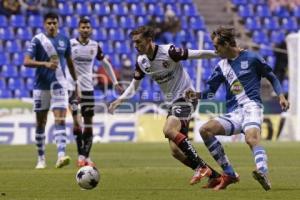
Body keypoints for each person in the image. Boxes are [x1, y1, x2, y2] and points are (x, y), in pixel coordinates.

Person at [108, 26, 222, 186]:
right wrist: (118, 101)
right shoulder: (142, 62)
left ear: (149, 40)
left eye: (139, 42)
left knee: (168, 130)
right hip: (172, 102)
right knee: (176, 152)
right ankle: (214, 176)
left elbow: (196, 54)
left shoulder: (169, 52)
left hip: (186, 96)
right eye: (134, 42)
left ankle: (202, 167)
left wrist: (217, 53)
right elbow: (134, 86)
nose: (136, 45)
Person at [186, 26, 289, 190]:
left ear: (226, 44)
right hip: (234, 113)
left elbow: (272, 76)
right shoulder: (221, 67)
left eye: (216, 46)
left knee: (251, 139)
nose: (215, 50)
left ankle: (262, 171)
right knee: (205, 130)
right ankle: (230, 173)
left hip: (251, 107)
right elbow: (210, 92)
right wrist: (196, 95)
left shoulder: (252, 58)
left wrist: (281, 96)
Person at [23, 12, 78, 169]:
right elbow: (26, 62)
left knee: (60, 120)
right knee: (41, 123)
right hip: (41, 87)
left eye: (54, 23)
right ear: (44, 24)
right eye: (49, 23)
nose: (52, 26)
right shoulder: (37, 40)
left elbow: (70, 63)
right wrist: (44, 64)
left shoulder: (64, 40)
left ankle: (61, 155)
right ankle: (41, 159)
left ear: (58, 24)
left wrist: (76, 82)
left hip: (60, 85)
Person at [66, 17, 122, 167]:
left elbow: (106, 63)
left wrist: (115, 82)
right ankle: (80, 156)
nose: (85, 30)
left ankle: (86, 156)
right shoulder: (70, 44)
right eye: (83, 27)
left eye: (87, 27)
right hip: (73, 89)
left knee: (89, 123)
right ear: (78, 29)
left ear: (90, 30)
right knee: (77, 122)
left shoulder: (95, 46)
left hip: (88, 90)